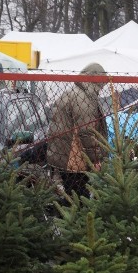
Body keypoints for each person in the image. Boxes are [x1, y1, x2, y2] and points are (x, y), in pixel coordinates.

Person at [46, 62, 107, 198]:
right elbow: (87, 132)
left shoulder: (71, 92)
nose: (102, 88)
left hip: (63, 154)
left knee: (71, 194)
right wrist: (95, 160)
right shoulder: (83, 98)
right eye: (102, 83)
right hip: (74, 158)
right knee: (78, 198)